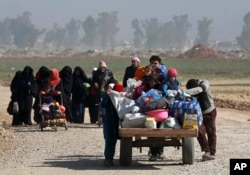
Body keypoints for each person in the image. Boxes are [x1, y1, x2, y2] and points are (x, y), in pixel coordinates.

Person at [185, 79, 217, 161]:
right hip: (199, 114)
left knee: (211, 131)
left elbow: (201, 89)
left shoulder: (205, 83)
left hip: (209, 112)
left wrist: (185, 92)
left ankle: (212, 153)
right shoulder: (194, 90)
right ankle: (207, 151)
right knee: (199, 131)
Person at [101, 80, 124, 167]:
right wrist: (108, 94)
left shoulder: (120, 97)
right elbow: (103, 104)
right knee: (110, 139)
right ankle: (108, 159)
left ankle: (109, 159)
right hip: (110, 121)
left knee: (111, 140)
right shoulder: (109, 96)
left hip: (115, 121)